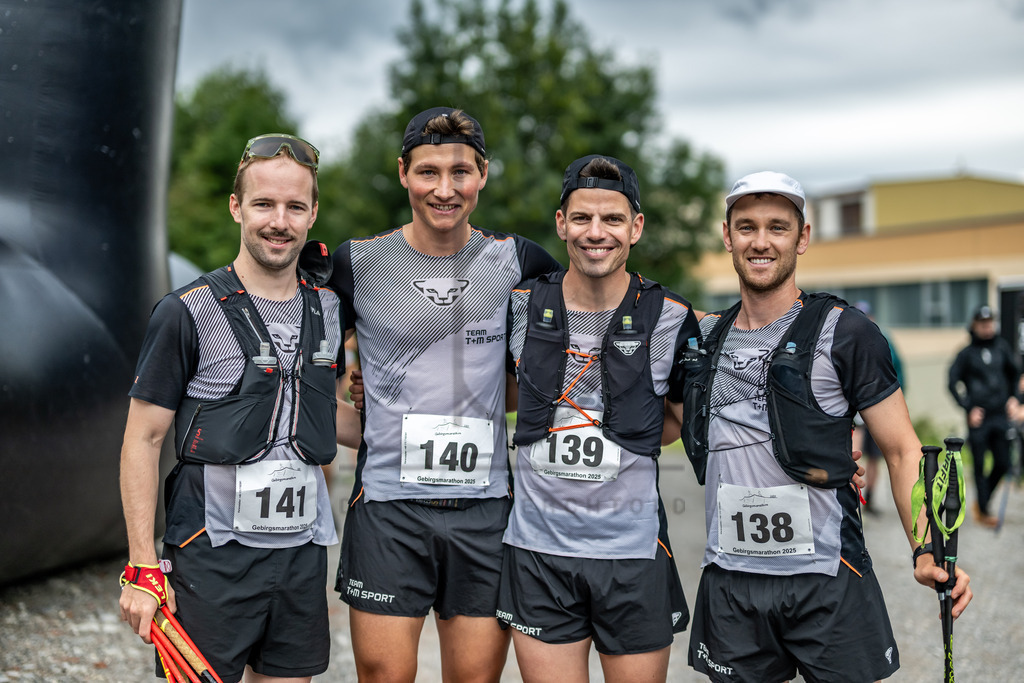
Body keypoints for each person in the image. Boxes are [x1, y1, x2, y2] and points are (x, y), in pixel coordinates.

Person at [678, 171, 973, 682]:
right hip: (732, 583)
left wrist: (924, 550)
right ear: (727, 237)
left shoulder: (847, 333)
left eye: (778, 227)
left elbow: (902, 451)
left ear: (803, 238)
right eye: (746, 227)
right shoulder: (703, 338)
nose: (761, 241)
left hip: (828, 579)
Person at [328, 107, 562, 682]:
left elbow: (556, 361)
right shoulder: (356, 263)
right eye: (428, 172)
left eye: (461, 172)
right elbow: (307, 371)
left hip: (484, 513)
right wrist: (359, 413)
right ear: (403, 172)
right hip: (388, 511)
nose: (445, 189)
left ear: (483, 175)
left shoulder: (521, 262)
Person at [118, 134, 344, 683]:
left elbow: (317, 415)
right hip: (209, 554)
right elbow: (142, 440)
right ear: (235, 206)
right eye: (264, 203)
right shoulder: (186, 311)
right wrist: (142, 565)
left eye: (294, 206)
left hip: (300, 555)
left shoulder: (330, 308)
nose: (279, 221)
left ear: (313, 213)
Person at [496, 154, 697, 682]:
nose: (596, 233)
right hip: (539, 553)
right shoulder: (519, 304)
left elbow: (681, 421)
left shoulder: (672, 315)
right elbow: (487, 389)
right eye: (582, 218)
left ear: (636, 227)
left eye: (612, 219)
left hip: (631, 553)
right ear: (561, 223)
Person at [948, 305, 1022, 528]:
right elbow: (952, 383)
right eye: (983, 324)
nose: (987, 327)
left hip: (1000, 416)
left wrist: (1015, 398)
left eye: (990, 323)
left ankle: (983, 501)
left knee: (1003, 462)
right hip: (978, 418)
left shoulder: (1002, 348)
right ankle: (984, 509)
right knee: (979, 464)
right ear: (974, 326)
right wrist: (967, 407)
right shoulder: (966, 354)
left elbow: (1015, 374)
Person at [851, 300, 906, 514]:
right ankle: (852, 495)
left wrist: (894, 403)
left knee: (875, 455)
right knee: (854, 451)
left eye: (866, 316)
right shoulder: (845, 341)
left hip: (877, 406)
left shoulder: (885, 341)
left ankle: (870, 498)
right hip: (853, 409)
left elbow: (898, 373)